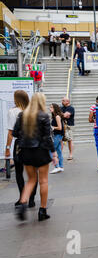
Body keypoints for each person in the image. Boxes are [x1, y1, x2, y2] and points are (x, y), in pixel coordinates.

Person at [13, 93, 58, 222]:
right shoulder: (44, 116)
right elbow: (48, 137)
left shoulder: (22, 115)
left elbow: (15, 132)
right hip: (41, 151)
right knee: (43, 181)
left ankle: (22, 204)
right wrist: (53, 153)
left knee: (31, 180)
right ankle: (42, 210)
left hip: (25, 151)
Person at [4, 90, 37, 207]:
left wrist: (7, 147)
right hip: (33, 143)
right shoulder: (33, 110)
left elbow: (10, 132)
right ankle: (32, 199)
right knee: (33, 173)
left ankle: (22, 197)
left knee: (19, 172)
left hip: (20, 145)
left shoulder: (12, 111)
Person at [49, 103, 65, 174]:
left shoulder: (57, 116)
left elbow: (60, 128)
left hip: (58, 135)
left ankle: (57, 167)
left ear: (55, 108)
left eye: (51, 107)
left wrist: (52, 127)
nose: (50, 109)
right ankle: (61, 167)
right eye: (50, 107)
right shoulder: (55, 116)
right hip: (58, 135)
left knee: (51, 150)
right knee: (59, 151)